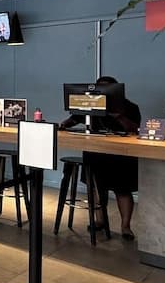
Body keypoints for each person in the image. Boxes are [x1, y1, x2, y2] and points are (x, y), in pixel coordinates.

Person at [59, 76, 142, 240]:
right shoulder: (91, 104)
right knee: (96, 188)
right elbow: (72, 120)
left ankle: (125, 226)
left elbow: (135, 129)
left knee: (122, 190)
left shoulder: (130, 106)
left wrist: (118, 116)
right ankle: (99, 220)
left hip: (121, 154)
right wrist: (63, 125)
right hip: (95, 151)